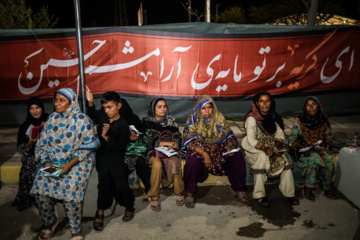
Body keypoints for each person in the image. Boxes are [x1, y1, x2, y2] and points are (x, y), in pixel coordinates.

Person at [30, 88, 100, 240]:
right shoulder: (51, 119)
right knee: (40, 186)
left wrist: (68, 166)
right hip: (53, 161)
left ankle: (75, 229)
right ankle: (50, 221)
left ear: (72, 102)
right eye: (56, 100)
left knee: (71, 190)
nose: (57, 103)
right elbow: (41, 145)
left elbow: (88, 148)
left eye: (62, 100)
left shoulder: (82, 120)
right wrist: (47, 162)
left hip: (77, 162)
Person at [182, 95, 248, 208]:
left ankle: (239, 188)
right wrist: (204, 153)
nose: (207, 111)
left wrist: (230, 146)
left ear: (213, 108)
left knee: (237, 155)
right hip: (200, 148)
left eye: (209, 107)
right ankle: (189, 193)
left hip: (218, 148)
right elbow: (189, 142)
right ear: (199, 109)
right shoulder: (193, 119)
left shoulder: (218, 117)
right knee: (192, 160)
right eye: (203, 108)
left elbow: (230, 137)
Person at [85, 89, 136, 231]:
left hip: (116, 158)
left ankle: (129, 206)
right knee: (103, 183)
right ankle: (100, 210)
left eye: (110, 107)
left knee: (120, 184)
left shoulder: (123, 125)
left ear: (118, 106)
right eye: (104, 107)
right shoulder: (103, 115)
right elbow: (93, 116)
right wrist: (90, 102)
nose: (106, 111)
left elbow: (120, 146)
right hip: (102, 156)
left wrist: (107, 136)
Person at [241, 92, 298, 207]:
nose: (265, 104)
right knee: (262, 158)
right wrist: (264, 149)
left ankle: (289, 193)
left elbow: (279, 133)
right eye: (262, 101)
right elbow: (251, 139)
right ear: (257, 103)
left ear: (271, 103)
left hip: (269, 146)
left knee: (285, 158)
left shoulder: (274, 116)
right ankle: (259, 195)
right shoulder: (252, 118)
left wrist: (278, 143)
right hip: (254, 147)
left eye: (267, 101)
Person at [141, 98, 184, 212]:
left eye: (164, 106)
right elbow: (147, 141)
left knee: (175, 161)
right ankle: (154, 196)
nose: (163, 109)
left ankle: (179, 192)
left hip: (169, 151)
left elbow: (177, 136)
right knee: (157, 164)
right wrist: (163, 143)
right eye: (159, 107)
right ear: (153, 108)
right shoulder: (147, 122)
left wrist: (175, 143)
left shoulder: (171, 121)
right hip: (153, 152)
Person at [289, 96, 335, 201]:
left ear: (318, 107)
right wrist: (303, 146)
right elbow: (291, 139)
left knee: (329, 159)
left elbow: (329, 138)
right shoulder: (299, 120)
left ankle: (327, 187)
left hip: (319, 149)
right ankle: (308, 188)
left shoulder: (323, 120)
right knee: (314, 159)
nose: (311, 107)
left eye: (313, 105)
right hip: (303, 152)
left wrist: (327, 147)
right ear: (304, 108)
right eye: (308, 105)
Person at [12, 97, 49, 211]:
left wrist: (47, 128)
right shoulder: (25, 126)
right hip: (32, 158)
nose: (35, 111)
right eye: (32, 108)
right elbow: (20, 148)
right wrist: (29, 144)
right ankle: (34, 198)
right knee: (29, 164)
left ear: (42, 108)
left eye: (37, 107)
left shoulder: (50, 121)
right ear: (28, 110)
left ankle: (45, 200)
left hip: (48, 157)